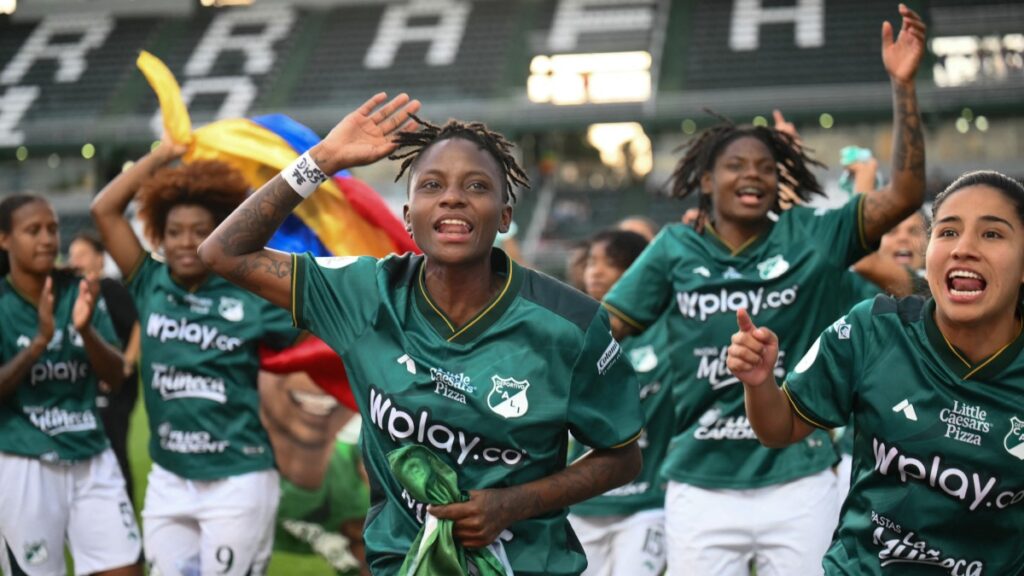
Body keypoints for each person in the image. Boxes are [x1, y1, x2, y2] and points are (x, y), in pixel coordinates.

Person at [196, 92, 644, 576]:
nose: (453, 196)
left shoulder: (570, 323)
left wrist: (511, 504)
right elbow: (224, 253)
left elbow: (622, 458)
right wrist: (322, 160)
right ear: (408, 216)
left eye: (476, 186)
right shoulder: (364, 294)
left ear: (505, 216)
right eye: (431, 185)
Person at [602, 6, 927, 575]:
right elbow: (604, 328)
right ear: (705, 181)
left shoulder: (813, 236)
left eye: (766, 167)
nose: (753, 174)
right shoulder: (674, 250)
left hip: (800, 477)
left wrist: (902, 86)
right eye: (735, 166)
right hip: (701, 483)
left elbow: (903, 192)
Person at [728, 170, 1024, 575]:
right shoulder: (874, 328)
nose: (963, 249)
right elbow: (779, 428)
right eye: (948, 232)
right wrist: (760, 384)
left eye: (992, 234)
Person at [91, 146, 301, 576]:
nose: (187, 242)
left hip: (238, 478)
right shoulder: (149, 281)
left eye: (201, 231)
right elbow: (105, 210)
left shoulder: (251, 291)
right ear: (158, 236)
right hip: (169, 478)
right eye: (175, 232)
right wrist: (160, 156)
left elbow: (317, 327)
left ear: (221, 233)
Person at [0, 195, 140, 576]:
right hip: (23, 463)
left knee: (125, 568)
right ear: (4, 239)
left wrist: (86, 330)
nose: (47, 239)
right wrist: (39, 343)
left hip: (91, 453)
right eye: (33, 230)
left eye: (52, 229)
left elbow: (115, 376)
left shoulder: (79, 291)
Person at [568, 229, 674, 576]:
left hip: (645, 502)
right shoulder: (571, 335)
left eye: (610, 264)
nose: (595, 272)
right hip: (581, 504)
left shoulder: (666, 334)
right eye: (592, 263)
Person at [67, 229, 141, 504]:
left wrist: (127, 363)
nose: (75, 261)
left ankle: (124, 510)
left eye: (82, 255)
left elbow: (138, 322)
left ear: (100, 259)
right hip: (88, 383)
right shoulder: (72, 293)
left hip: (115, 384)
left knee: (114, 446)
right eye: (72, 255)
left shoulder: (110, 289)